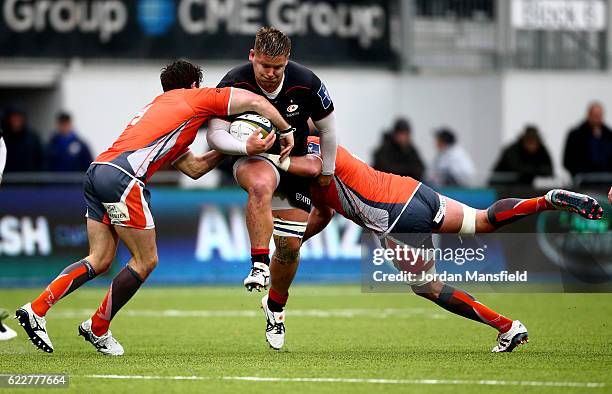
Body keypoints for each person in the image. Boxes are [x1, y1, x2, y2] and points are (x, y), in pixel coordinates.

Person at [15, 60, 290, 356]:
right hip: (123, 177)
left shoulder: (163, 110)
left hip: (98, 171)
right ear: (194, 85)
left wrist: (234, 146)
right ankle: (97, 327)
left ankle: (37, 308)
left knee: (100, 258)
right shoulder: (194, 97)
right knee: (146, 260)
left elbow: (195, 168)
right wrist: (285, 130)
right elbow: (255, 100)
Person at [260, 136, 603, 352]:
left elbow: (313, 169)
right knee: (482, 220)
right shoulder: (321, 144)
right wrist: (290, 244)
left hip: (393, 217)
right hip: (413, 191)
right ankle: (544, 201)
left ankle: (507, 327)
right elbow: (323, 213)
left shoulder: (307, 157)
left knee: (427, 286)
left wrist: (276, 162)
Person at [206, 27, 338, 349]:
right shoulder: (233, 81)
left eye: (277, 67)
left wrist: (328, 171)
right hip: (250, 157)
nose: (269, 73)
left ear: (287, 61)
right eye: (264, 65)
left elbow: (329, 129)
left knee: (291, 246)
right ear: (252, 56)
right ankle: (259, 264)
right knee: (261, 184)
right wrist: (243, 146)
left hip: (292, 162)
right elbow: (214, 134)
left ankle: (275, 309)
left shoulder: (307, 82)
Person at [563, 102, 612, 179]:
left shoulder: (609, 135)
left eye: (599, 115)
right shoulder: (576, 135)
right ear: (589, 115)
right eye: (595, 115)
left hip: (606, 179)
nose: (597, 118)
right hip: (583, 180)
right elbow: (568, 160)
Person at [1, 105, 44, 173]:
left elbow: (41, 161)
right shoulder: (2, 139)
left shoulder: (33, 138)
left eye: (19, 118)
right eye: (14, 117)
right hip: (6, 181)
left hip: (30, 180)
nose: (16, 121)